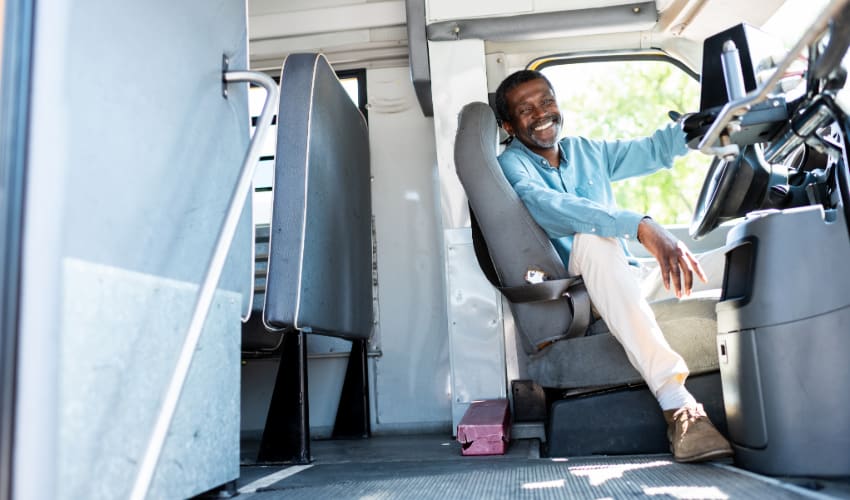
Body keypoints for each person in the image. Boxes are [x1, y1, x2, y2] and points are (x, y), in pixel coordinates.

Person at [495, 69, 732, 463]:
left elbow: (651, 150)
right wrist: (639, 226)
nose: (542, 113)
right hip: (583, 292)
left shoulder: (587, 151)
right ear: (508, 124)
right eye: (526, 109)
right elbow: (550, 207)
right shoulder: (512, 167)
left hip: (627, 277)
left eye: (547, 101)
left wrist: (694, 128)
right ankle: (678, 404)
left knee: (745, 245)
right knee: (593, 236)